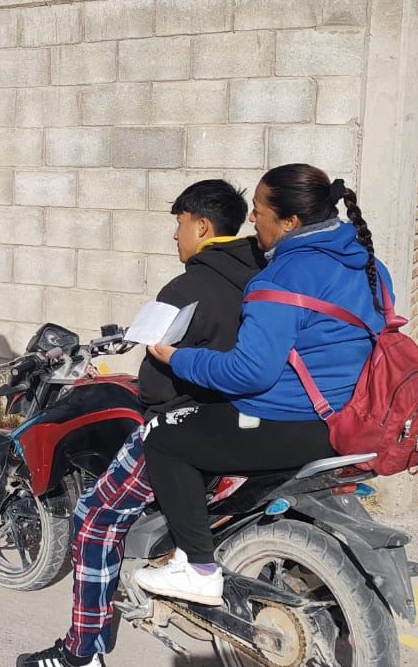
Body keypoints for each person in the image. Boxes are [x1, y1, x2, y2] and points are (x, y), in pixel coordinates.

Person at [15, 180, 264, 667]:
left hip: (183, 428)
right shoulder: (260, 279)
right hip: (248, 427)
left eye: (178, 224)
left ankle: (81, 655)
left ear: (201, 226)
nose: (175, 236)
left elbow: (155, 374)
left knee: (95, 518)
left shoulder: (187, 288)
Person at [133, 163, 394, 606]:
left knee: (164, 435)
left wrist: (177, 357)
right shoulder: (369, 265)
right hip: (352, 414)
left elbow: (249, 372)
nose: (253, 220)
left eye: (259, 211)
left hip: (291, 420)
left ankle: (197, 566)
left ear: (290, 222)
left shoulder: (281, 276)